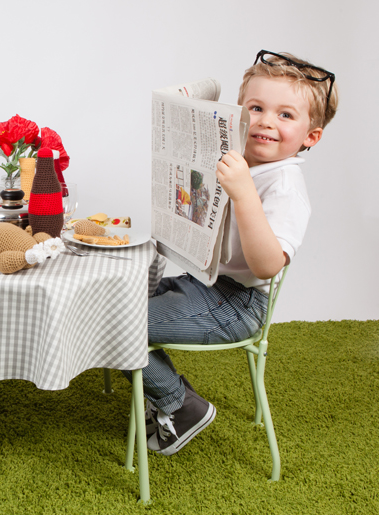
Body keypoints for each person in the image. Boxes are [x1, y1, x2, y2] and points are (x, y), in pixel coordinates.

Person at [125, 50, 339, 456]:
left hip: (237, 305)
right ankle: (172, 394)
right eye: (256, 108)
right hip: (204, 283)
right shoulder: (243, 160)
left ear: (311, 135)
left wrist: (242, 192)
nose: (265, 122)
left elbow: (268, 265)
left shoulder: (285, 186)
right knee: (110, 302)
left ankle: (179, 405)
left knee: (117, 324)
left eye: (286, 115)